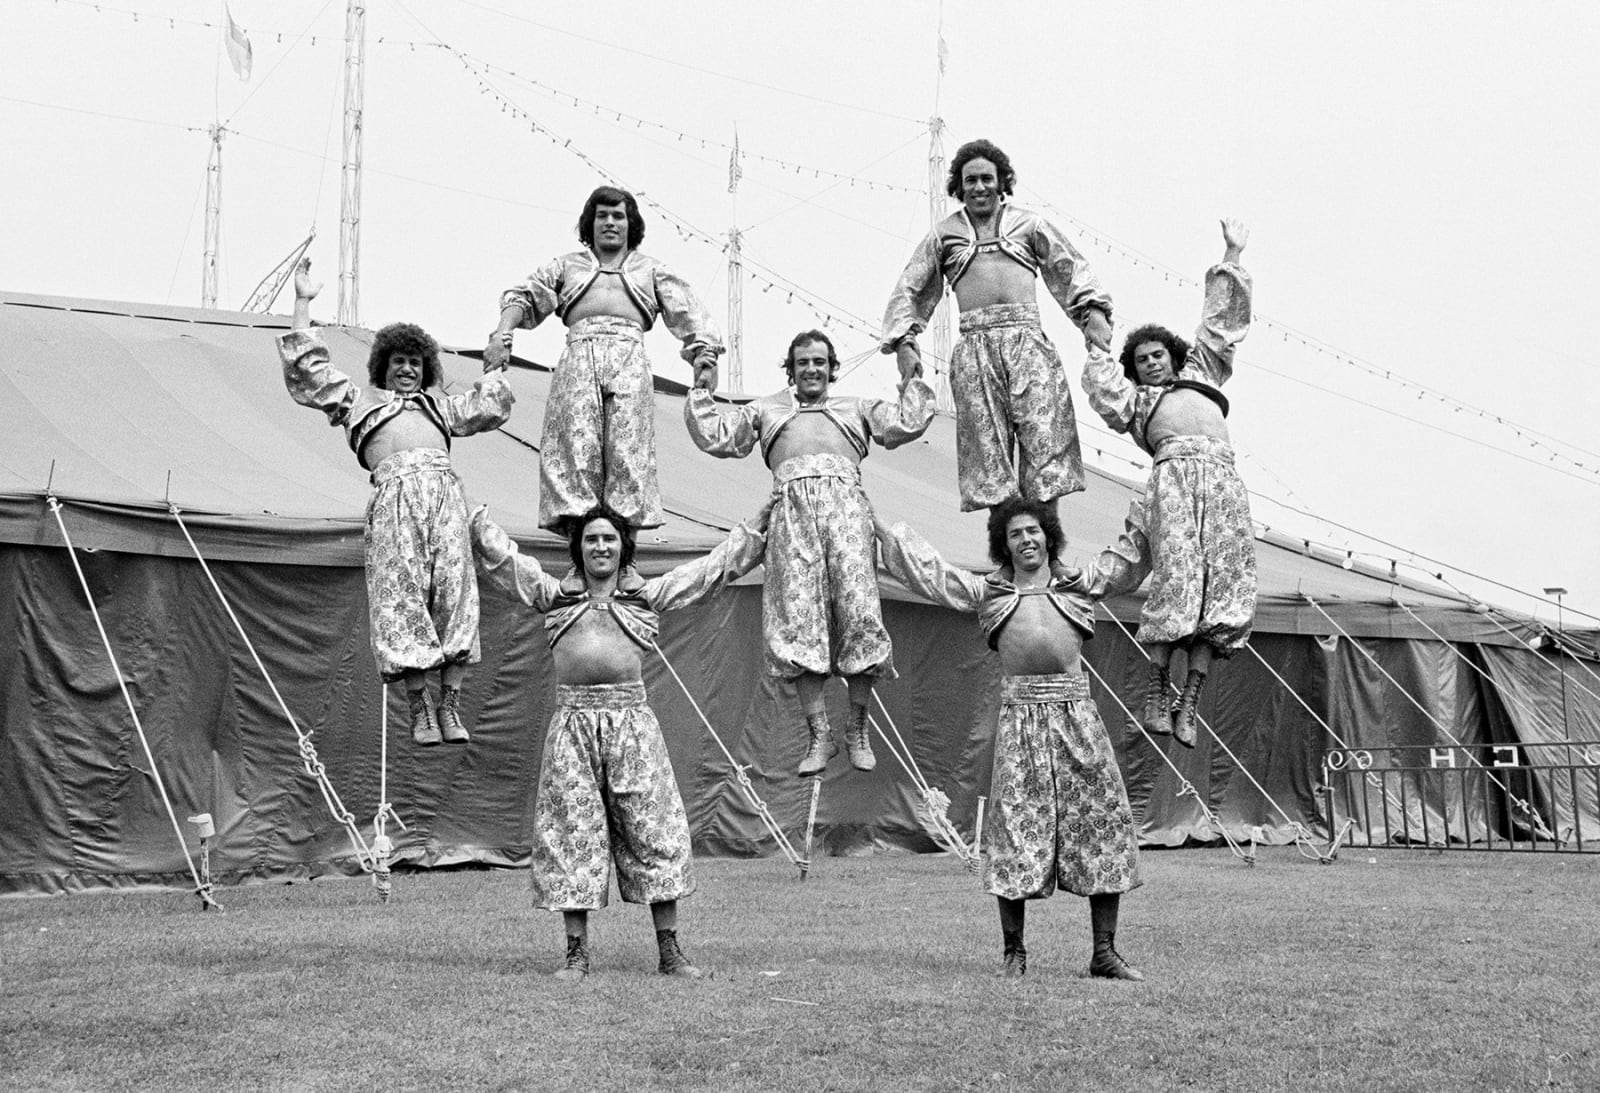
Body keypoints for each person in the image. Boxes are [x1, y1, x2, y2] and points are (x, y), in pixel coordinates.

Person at [470, 500, 770, 982]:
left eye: (609, 538)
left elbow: (709, 572)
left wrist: (758, 527)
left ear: (623, 547)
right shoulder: (555, 597)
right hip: (572, 727)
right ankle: (576, 954)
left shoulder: (644, 598)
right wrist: (465, 510)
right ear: (578, 548)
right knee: (571, 835)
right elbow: (505, 562)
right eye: (591, 539)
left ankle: (670, 952)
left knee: (655, 832)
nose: (601, 546)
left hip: (632, 725)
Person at [875, 499, 1144, 981]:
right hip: (1021, 718)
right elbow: (932, 574)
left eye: (1034, 531)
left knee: (1102, 822)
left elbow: (1126, 564)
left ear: (1049, 537)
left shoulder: (1077, 587)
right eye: (1016, 533)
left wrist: (1152, 508)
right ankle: (1014, 953)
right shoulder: (991, 593)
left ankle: (1104, 952)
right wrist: (876, 524)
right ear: (1005, 544)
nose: (1027, 539)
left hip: (1078, 716)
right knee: (1016, 829)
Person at [279, 259, 514, 746]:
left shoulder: (440, 407)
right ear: (383, 367)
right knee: (401, 596)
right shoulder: (360, 403)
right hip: (395, 499)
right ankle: (420, 709)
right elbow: (309, 368)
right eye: (398, 362)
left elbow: (490, 405)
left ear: (426, 368)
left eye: (415, 362)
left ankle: (450, 706)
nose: (407, 369)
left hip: (444, 496)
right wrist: (302, 303)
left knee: (454, 592)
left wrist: (495, 360)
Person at [684, 330, 936, 776]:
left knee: (860, 614)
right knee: (799, 622)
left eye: (820, 362)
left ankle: (857, 725)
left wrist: (909, 364)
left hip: (847, 516)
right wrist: (702, 384)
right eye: (803, 363)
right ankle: (819, 733)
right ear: (792, 368)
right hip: (791, 519)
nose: (812, 370)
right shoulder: (766, 409)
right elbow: (716, 436)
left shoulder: (856, 408)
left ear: (831, 367)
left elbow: (907, 422)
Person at [1081, 218, 1256, 747]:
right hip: (1175, 480)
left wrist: (1233, 255)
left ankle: (1190, 703)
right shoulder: (1137, 402)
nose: (1151, 363)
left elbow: (1218, 325)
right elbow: (1104, 387)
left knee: (1218, 598)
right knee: (1177, 585)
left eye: (1157, 355)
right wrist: (1098, 345)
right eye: (1141, 360)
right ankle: (1157, 692)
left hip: (1222, 482)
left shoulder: (1203, 374)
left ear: (1172, 357)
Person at [880, 139, 1113, 513]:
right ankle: (1005, 559)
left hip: (1028, 344)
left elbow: (1070, 269)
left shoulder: (1029, 225)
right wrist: (905, 342)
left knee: (1045, 447)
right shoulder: (944, 235)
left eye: (987, 178)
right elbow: (910, 287)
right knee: (989, 457)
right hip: (975, 349)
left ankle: (1049, 554)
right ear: (959, 186)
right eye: (970, 180)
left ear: (1002, 182)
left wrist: (1093, 312)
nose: (979, 187)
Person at [484, 185, 723, 533]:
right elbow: (523, 297)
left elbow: (693, 317)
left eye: (618, 216)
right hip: (579, 357)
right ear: (590, 223)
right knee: (576, 452)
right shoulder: (567, 266)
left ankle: (626, 558)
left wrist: (704, 355)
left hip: (630, 358)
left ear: (631, 224)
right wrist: (502, 335)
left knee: (627, 454)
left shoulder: (651, 271)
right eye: (602, 216)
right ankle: (577, 557)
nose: (610, 223)